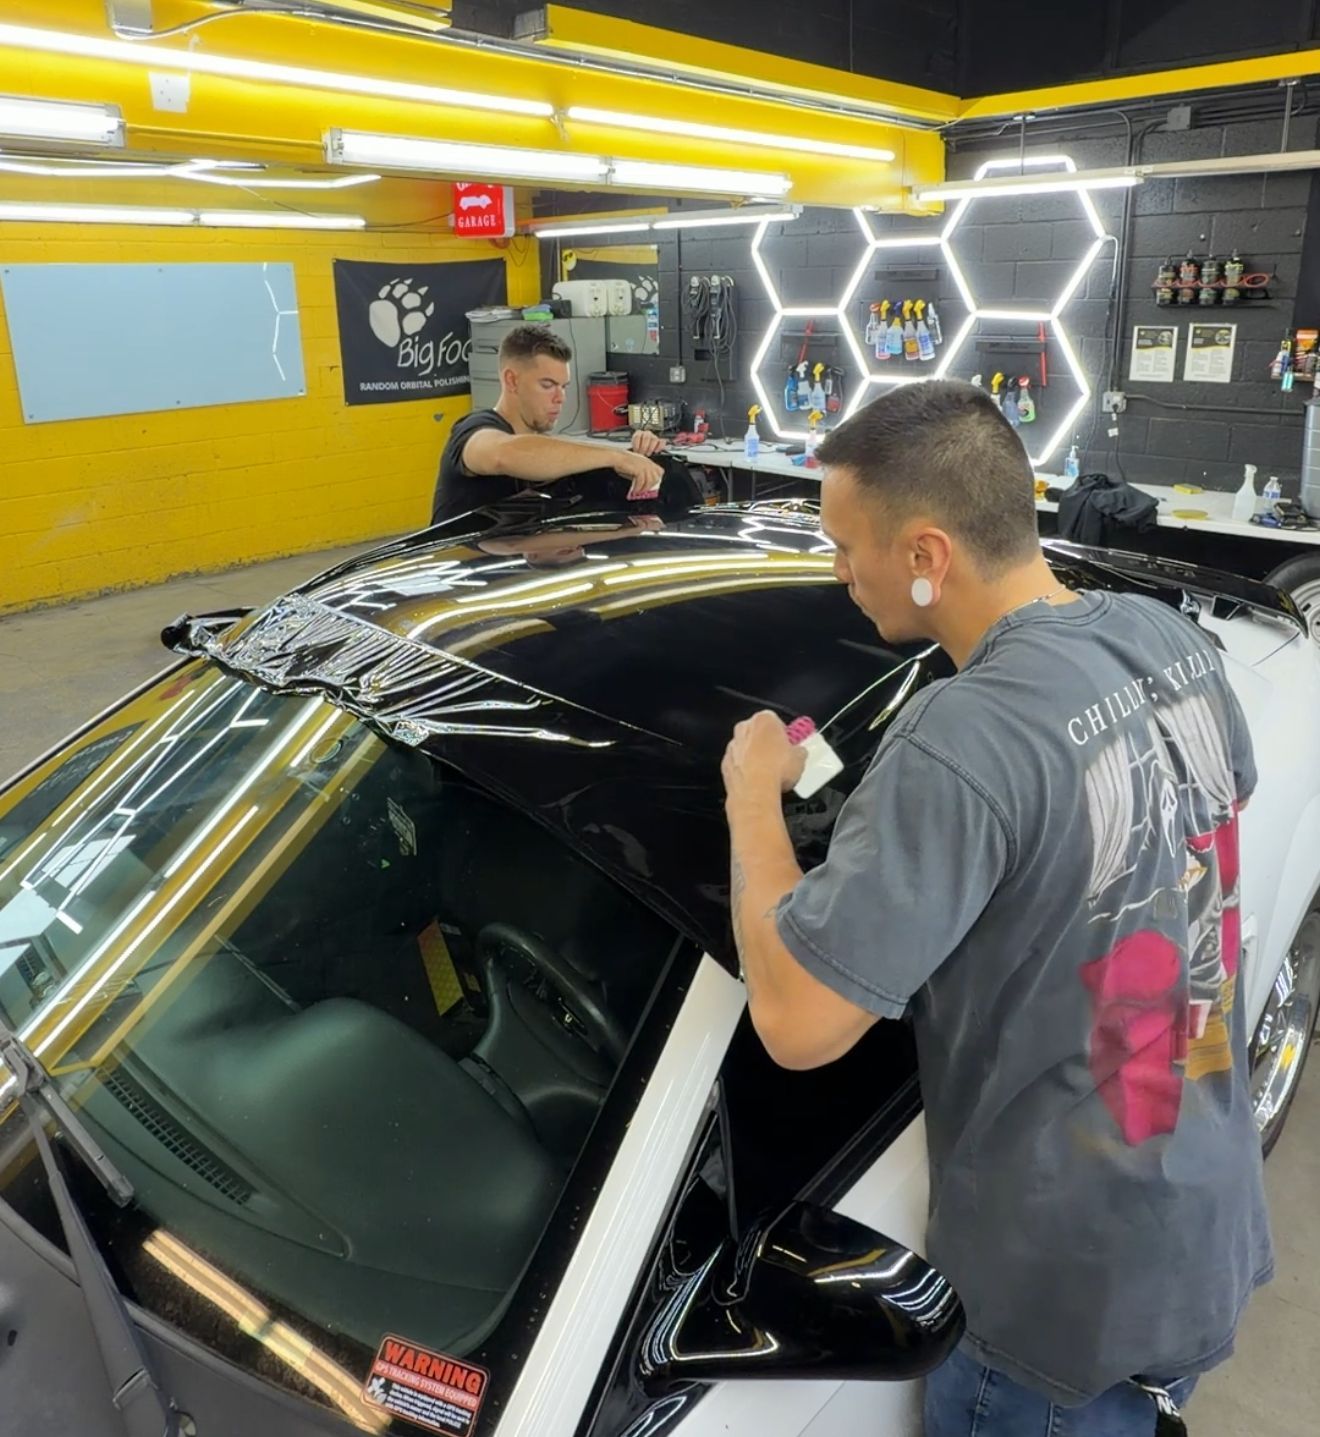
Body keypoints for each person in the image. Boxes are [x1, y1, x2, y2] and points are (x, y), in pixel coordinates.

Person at [720, 380, 1271, 1435]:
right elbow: (1186, 834)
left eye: (846, 546)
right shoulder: (1170, 641)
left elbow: (795, 1020)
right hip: (1200, 1214)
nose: (839, 571)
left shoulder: (958, 737)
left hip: (1054, 1302)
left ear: (926, 553)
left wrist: (752, 793)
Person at [430, 324, 666, 526]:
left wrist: (636, 457)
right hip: (462, 562)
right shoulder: (472, 430)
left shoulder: (546, 453)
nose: (560, 397)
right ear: (512, 380)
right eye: (547, 385)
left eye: (563, 387)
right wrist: (617, 457)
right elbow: (502, 455)